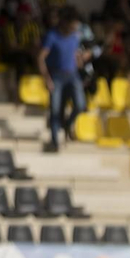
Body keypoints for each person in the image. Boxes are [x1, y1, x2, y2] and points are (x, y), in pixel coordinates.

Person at [38, 8, 83, 154]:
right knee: (55, 109)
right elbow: (41, 58)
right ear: (65, 23)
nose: (74, 28)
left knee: (80, 105)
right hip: (56, 76)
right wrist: (47, 78)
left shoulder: (75, 36)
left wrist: (79, 60)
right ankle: (54, 141)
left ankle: (67, 124)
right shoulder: (52, 36)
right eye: (72, 25)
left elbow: (75, 53)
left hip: (73, 75)